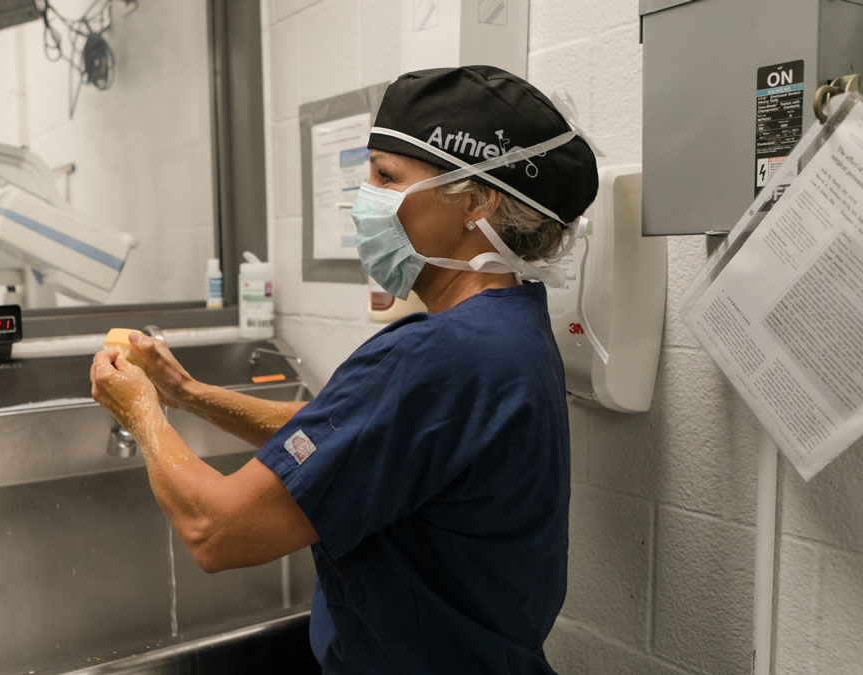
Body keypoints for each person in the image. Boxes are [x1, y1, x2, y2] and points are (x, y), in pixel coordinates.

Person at [90, 65, 599, 674]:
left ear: (477, 200)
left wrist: (140, 414)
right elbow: (344, 434)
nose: (366, 200)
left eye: (387, 177)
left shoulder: (438, 358)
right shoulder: (510, 330)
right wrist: (188, 393)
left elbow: (215, 529)